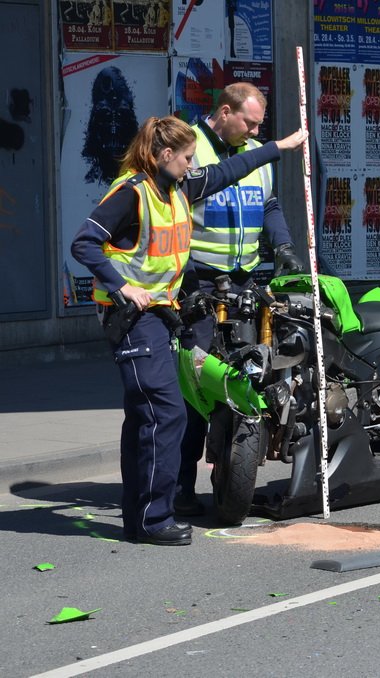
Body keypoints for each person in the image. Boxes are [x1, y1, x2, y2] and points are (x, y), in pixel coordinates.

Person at [71, 115, 306, 545]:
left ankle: (140, 516)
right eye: (186, 157)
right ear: (164, 155)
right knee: (166, 413)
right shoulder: (132, 194)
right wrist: (122, 287)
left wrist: (281, 146)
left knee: (144, 417)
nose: (192, 164)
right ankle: (154, 518)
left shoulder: (176, 188)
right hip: (132, 319)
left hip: (160, 316)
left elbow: (227, 171)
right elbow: (84, 242)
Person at [174, 82, 304, 517]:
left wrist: (283, 246)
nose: (253, 132)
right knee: (195, 387)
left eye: (259, 126)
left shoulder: (255, 151)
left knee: (247, 374)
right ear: (225, 112)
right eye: (248, 122)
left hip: (244, 282)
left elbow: (268, 205)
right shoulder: (192, 151)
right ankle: (181, 486)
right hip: (201, 282)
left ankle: (234, 468)